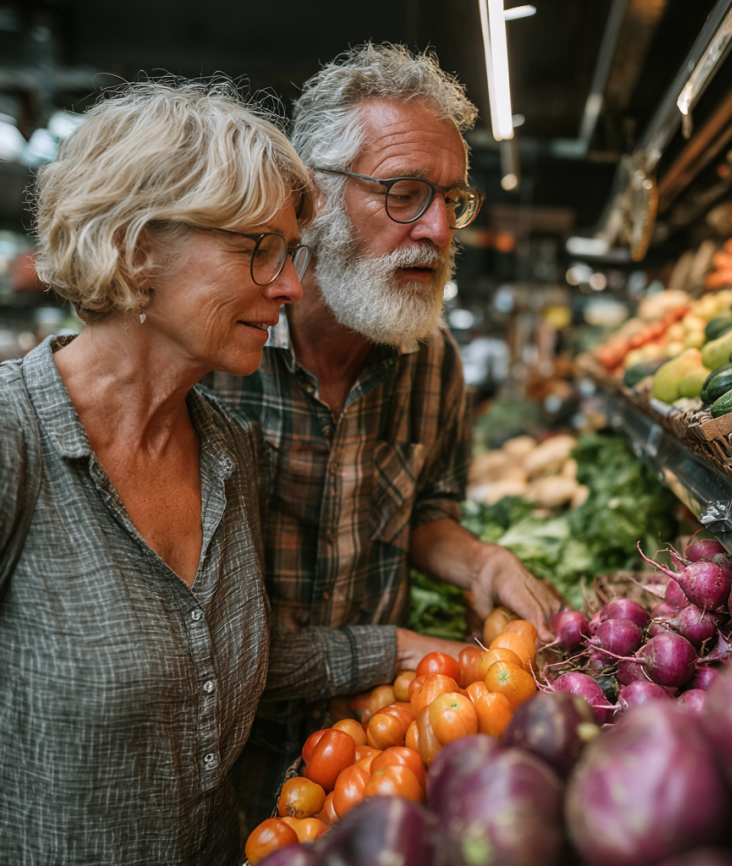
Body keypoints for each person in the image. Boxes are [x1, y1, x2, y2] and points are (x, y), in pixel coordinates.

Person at [204, 43, 562, 828]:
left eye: (452, 200)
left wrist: (481, 560)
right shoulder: (217, 352)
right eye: (404, 193)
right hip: (219, 752)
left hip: (378, 745)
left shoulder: (435, 365)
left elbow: (424, 512)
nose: (435, 229)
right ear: (318, 196)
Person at [0, 78, 315, 864]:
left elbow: (222, 663)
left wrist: (409, 650)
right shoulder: (14, 443)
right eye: (259, 249)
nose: (291, 285)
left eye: (292, 253)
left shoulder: (226, 453)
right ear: (140, 248)